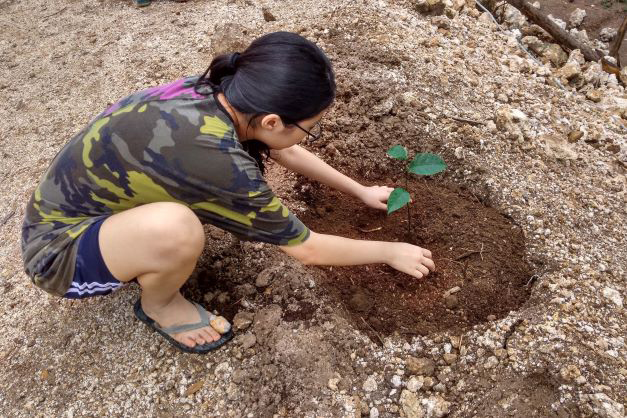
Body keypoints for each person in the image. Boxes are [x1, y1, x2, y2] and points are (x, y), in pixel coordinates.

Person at [21, 32, 435, 354]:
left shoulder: (216, 89)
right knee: (178, 229)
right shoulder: (216, 161)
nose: (310, 134)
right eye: (311, 125)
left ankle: (140, 250)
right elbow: (307, 248)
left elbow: (285, 146)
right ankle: (159, 306)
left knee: (176, 219)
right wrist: (389, 250)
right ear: (271, 119)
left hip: (80, 211)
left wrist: (359, 190)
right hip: (60, 253)